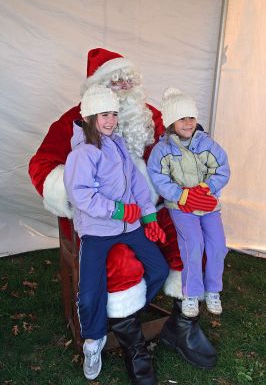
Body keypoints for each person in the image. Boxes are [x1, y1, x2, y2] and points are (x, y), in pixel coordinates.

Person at [29, 48, 217, 375]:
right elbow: (41, 166)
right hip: (104, 221)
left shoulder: (150, 116)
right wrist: (77, 193)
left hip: (149, 211)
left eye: (127, 81)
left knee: (193, 237)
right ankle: (132, 342)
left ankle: (182, 324)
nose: (123, 89)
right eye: (114, 83)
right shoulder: (73, 123)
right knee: (120, 264)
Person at [63, 84, 168, 382]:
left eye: (113, 114)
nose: (110, 120)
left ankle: (125, 314)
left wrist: (149, 217)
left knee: (158, 268)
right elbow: (81, 195)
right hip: (98, 230)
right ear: (89, 116)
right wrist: (119, 210)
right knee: (90, 292)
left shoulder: (119, 144)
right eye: (103, 114)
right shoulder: (83, 153)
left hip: (130, 227)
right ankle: (93, 340)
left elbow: (136, 184)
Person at [147, 88, 230, 320]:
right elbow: (158, 177)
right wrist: (181, 195)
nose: (188, 123)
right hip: (182, 207)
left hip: (208, 205)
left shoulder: (207, 144)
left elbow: (222, 169)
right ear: (171, 122)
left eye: (191, 117)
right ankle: (191, 293)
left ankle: (212, 289)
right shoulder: (162, 150)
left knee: (217, 245)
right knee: (193, 244)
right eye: (182, 118)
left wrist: (207, 188)